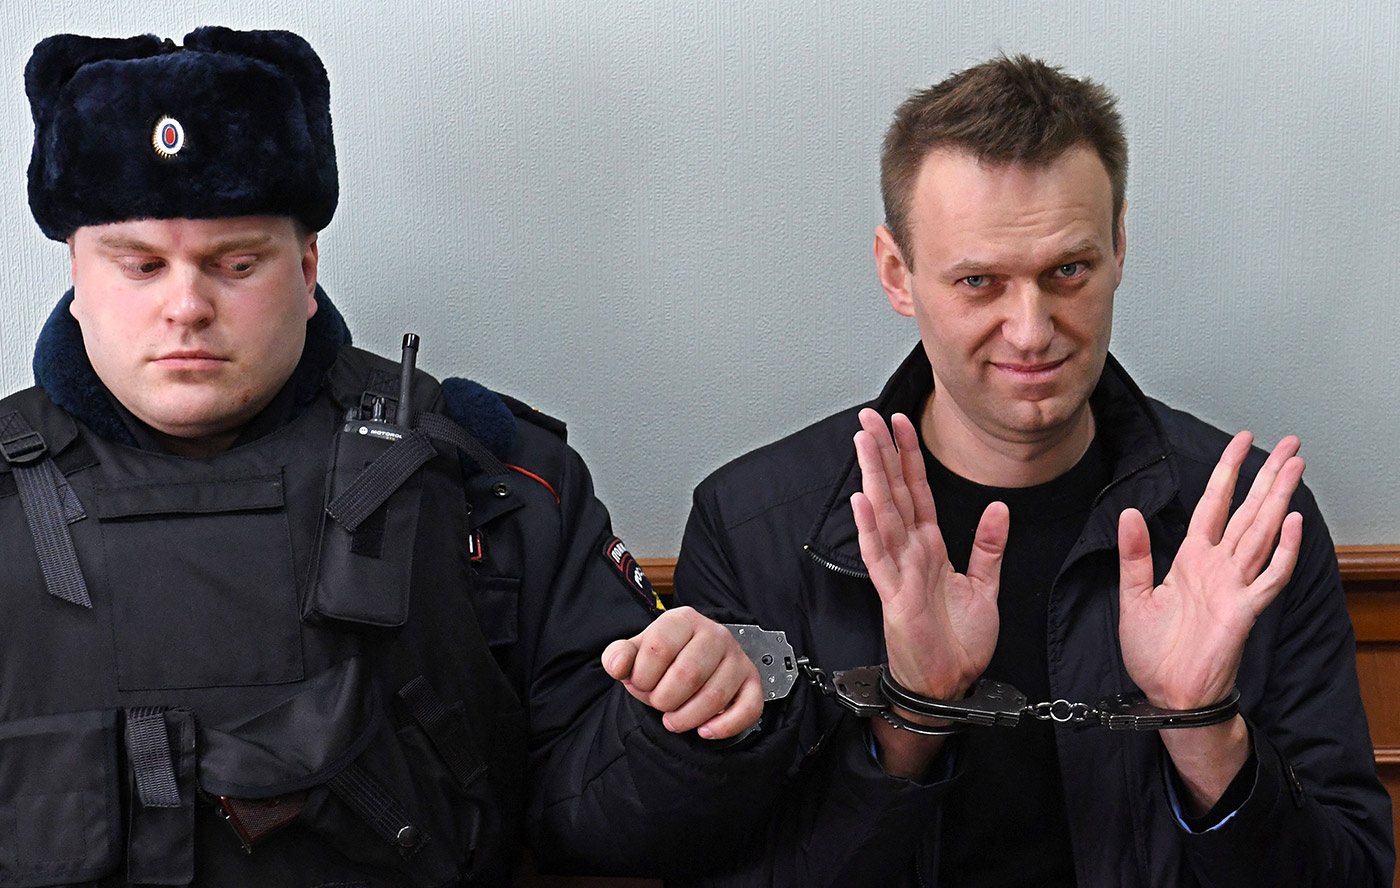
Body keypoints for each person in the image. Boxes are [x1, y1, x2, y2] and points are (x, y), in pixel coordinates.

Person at [4, 27, 784, 886]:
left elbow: (602, 821)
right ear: (78, 282)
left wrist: (695, 716)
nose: (186, 306)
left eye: (235, 262)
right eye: (142, 265)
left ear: (306, 271)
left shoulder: (487, 478)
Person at [673, 55, 1394, 886]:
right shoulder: (752, 526)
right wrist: (912, 712)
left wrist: (1202, 727)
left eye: (1069, 272)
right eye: (980, 281)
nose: (1030, 330)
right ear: (896, 273)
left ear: (1119, 246)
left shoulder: (1245, 525)